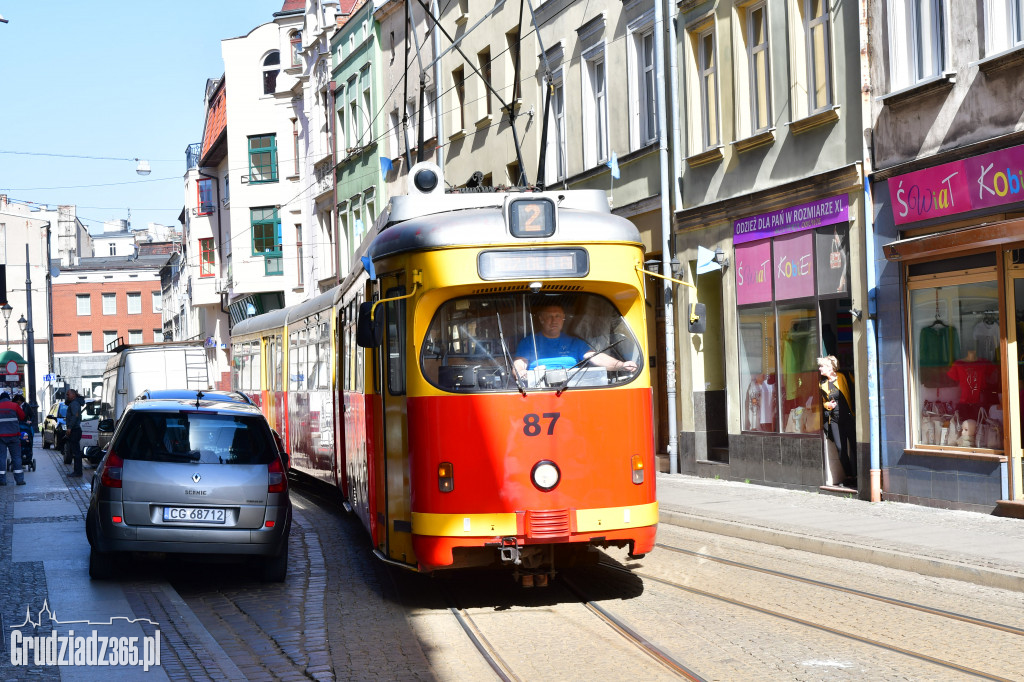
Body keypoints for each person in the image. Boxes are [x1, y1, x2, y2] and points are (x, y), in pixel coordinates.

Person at [512, 303, 638, 378]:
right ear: (541, 319)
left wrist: (621, 365)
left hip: (572, 390)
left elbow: (596, 357)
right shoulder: (528, 342)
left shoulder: (575, 343)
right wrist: (521, 372)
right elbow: (519, 363)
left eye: (558, 316)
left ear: (563, 319)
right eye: (549, 316)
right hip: (538, 390)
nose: (554, 320)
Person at [818, 356, 856, 488]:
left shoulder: (842, 377)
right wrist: (828, 405)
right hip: (834, 419)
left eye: (822, 366)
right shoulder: (822, 384)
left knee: (855, 447)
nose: (820, 368)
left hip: (848, 417)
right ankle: (849, 476)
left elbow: (852, 390)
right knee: (841, 449)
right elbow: (823, 403)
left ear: (830, 367)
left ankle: (857, 476)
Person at [0, 391, 27, 485]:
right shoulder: (14, 406)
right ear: (9, 398)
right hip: (14, 436)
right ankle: (19, 480)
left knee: (1, 458)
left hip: (0, 437)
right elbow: (22, 416)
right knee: (16, 457)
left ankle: (1, 480)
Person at [64, 388, 85, 477]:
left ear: (73, 395)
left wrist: (70, 428)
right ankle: (77, 471)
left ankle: (77, 472)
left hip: (75, 430)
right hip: (75, 429)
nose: (67, 396)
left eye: (68, 394)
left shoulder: (75, 403)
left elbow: (75, 416)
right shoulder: (74, 403)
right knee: (76, 451)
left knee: (76, 452)